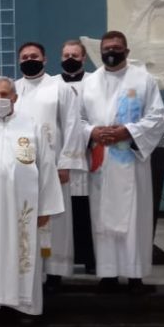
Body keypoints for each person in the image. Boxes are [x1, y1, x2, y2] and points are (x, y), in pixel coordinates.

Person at [0, 76, 63, 321]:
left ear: (15, 98)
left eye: (4, 95)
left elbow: (47, 167)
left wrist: (46, 208)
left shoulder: (32, 127)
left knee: (21, 251)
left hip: (23, 207)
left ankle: (23, 306)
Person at [80, 31, 164, 293]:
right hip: (102, 162)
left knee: (134, 218)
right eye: (107, 48)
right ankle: (107, 275)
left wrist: (127, 131)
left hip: (130, 159)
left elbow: (157, 117)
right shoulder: (90, 82)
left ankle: (135, 275)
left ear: (127, 51)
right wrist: (92, 132)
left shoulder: (143, 80)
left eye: (116, 48)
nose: (111, 52)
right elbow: (78, 120)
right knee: (102, 218)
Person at [14, 42, 85, 292]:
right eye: (24, 57)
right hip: (20, 168)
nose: (29, 60)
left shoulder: (60, 88)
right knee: (24, 217)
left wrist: (66, 163)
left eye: (34, 56)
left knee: (55, 219)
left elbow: (72, 125)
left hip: (53, 168)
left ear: (44, 60)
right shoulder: (13, 89)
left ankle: (54, 272)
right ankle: (28, 268)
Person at [54, 41, 95, 274]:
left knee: (88, 210)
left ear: (84, 58)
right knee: (66, 211)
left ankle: (90, 258)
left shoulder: (95, 83)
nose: (70, 58)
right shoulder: (53, 85)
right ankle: (66, 257)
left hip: (91, 155)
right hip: (63, 155)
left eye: (75, 55)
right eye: (66, 54)